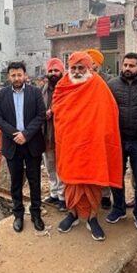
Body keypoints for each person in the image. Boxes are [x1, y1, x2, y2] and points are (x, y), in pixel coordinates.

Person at [52, 51, 122, 241]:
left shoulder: (98, 85)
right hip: (69, 143)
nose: (76, 71)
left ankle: (92, 218)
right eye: (73, 68)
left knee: (92, 182)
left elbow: (109, 112)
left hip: (92, 144)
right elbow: (58, 111)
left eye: (80, 68)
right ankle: (72, 214)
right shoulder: (62, 85)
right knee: (70, 180)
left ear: (89, 68)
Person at [106, 52, 137, 232]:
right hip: (117, 140)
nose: (127, 68)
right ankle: (118, 209)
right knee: (116, 178)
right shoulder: (111, 85)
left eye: (131, 66)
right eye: (125, 65)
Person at [0, 61, 47, 233]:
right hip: (12, 144)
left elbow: (40, 115)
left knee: (34, 181)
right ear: (9, 77)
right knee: (16, 182)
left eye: (19, 75)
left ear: (25, 75)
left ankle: (36, 214)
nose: (17, 78)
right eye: (13, 75)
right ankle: (18, 214)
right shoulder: (1, 95)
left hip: (32, 143)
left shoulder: (35, 92)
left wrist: (26, 134)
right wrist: (15, 134)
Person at [86, 47, 114, 209]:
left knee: (104, 163)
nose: (91, 66)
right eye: (88, 63)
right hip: (86, 130)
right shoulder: (80, 80)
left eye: (94, 63)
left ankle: (105, 195)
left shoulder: (109, 81)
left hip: (103, 128)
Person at [41, 57, 66, 212]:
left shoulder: (67, 88)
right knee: (50, 167)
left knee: (62, 167)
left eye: (56, 70)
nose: (53, 73)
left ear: (62, 72)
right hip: (46, 134)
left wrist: (55, 112)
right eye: (50, 71)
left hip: (62, 135)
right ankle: (54, 193)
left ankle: (64, 197)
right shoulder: (42, 90)